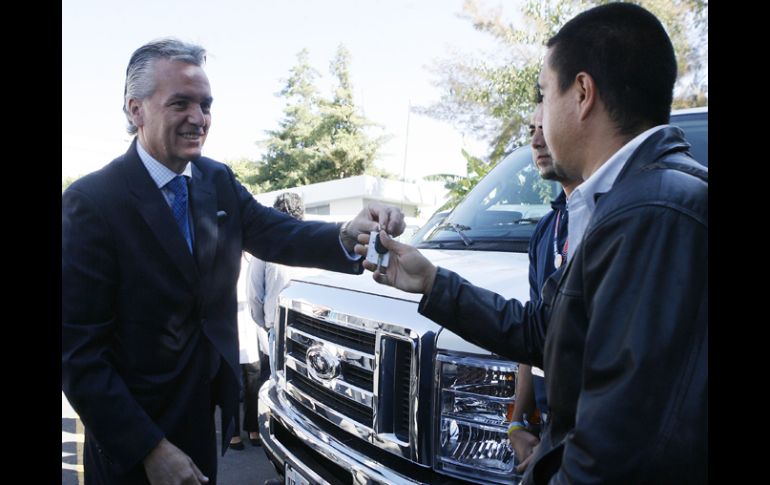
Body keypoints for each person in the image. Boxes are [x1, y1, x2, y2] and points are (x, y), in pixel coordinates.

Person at [357, 4, 707, 484]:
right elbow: (547, 335)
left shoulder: (653, 213)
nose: (538, 119)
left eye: (544, 94)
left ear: (582, 93)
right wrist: (431, 282)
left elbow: (615, 454)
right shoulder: (624, 204)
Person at [62, 38, 404, 485]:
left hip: (204, 414)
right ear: (135, 110)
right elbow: (78, 355)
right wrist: (149, 449)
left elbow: (278, 233)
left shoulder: (216, 180)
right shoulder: (91, 202)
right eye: (180, 103)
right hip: (133, 438)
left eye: (206, 104)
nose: (198, 119)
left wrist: (347, 234)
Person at [508, 102, 581, 474]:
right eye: (530, 130)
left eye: (546, 126)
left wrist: (563, 448)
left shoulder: (612, 219)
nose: (536, 141)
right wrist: (517, 423)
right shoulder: (544, 232)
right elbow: (533, 330)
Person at [228, 253, 262, 451]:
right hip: (228, 324)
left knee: (253, 379)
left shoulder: (254, 257)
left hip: (250, 323)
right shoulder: (221, 253)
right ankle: (232, 430)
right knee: (230, 381)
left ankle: (252, 426)